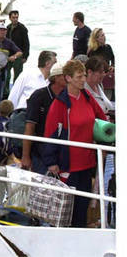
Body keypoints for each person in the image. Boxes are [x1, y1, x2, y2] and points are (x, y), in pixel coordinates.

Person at [42, 60, 107, 228]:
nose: (83, 79)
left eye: (84, 75)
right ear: (68, 78)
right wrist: (51, 162)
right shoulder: (60, 104)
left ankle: (79, 235)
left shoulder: (87, 97)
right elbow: (50, 133)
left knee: (82, 205)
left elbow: (102, 119)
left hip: (87, 161)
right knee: (66, 209)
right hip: (68, 164)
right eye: (79, 76)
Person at [21, 63, 66, 173]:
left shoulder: (66, 97)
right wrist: (25, 156)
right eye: (65, 75)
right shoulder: (39, 96)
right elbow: (30, 126)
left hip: (60, 149)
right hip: (40, 148)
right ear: (56, 77)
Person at [4, 10, 30, 98]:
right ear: (10, 18)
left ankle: (16, 93)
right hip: (9, 55)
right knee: (7, 75)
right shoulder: (7, 28)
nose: (15, 19)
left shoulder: (22, 28)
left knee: (18, 76)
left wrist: (25, 56)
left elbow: (26, 43)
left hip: (19, 55)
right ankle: (6, 92)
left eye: (16, 17)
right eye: (13, 17)